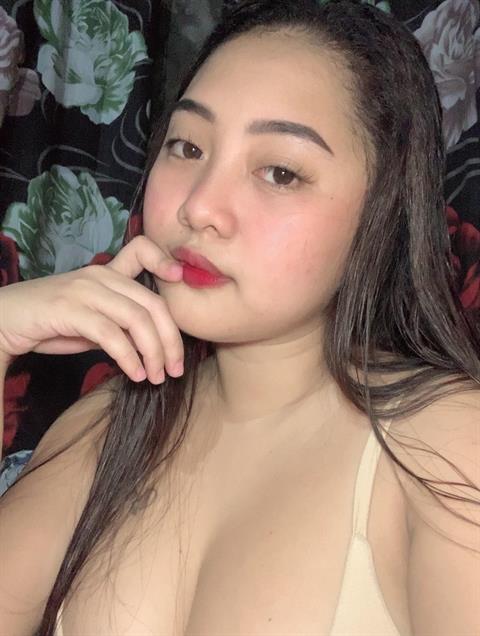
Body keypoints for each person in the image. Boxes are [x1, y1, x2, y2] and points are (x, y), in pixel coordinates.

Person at [0, 1, 479, 634]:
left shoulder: (443, 447)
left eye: (279, 172)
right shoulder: (100, 432)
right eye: (187, 146)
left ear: (383, 214)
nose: (199, 207)